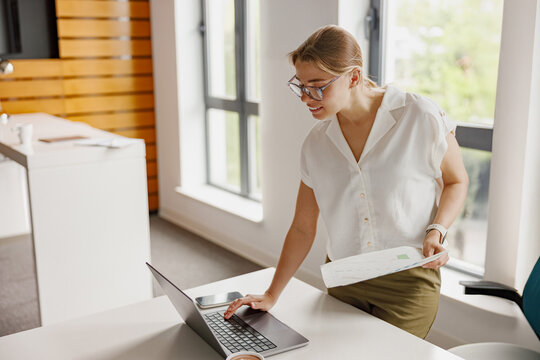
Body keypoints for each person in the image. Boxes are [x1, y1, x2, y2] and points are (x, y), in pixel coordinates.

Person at [225, 25, 469, 339]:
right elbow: (302, 226)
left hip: (409, 281)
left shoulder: (419, 116)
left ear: (353, 77)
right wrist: (272, 294)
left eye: (316, 86)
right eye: (299, 85)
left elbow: (456, 181)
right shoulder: (316, 144)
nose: (305, 97)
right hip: (345, 278)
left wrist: (438, 228)